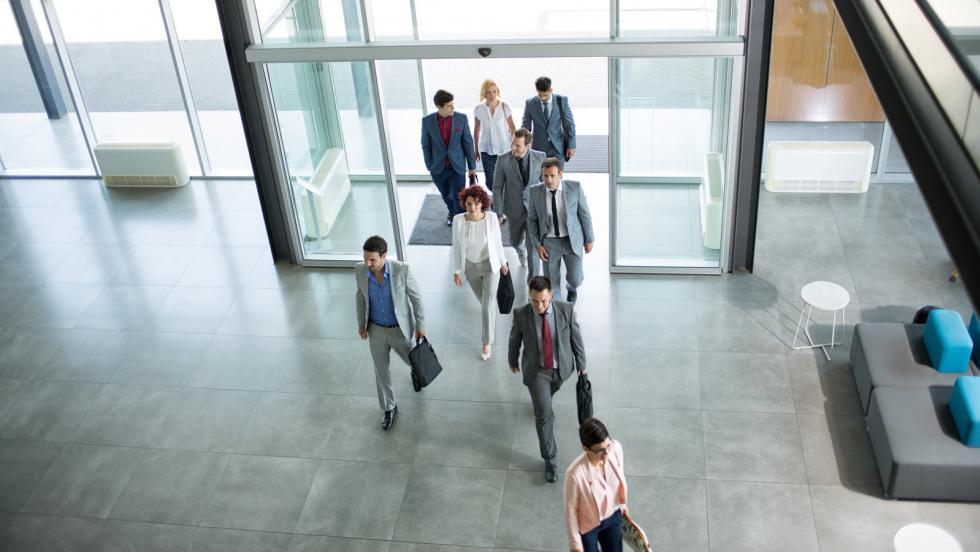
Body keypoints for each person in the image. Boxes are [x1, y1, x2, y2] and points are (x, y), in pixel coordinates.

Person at [508, 275, 586, 483]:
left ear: (551, 295)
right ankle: (550, 460)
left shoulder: (565, 310)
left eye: (543, 300)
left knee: (548, 396)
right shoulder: (522, 314)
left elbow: (576, 339)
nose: (539, 305)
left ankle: (543, 399)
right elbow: (514, 338)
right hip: (537, 371)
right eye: (534, 300)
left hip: (562, 369)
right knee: (544, 415)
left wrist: (582, 365)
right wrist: (512, 360)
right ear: (530, 297)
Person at [354, 235, 425, 430]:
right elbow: (360, 297)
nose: (368, 263)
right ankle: (389, 407)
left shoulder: (402, 270)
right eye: (365, 258)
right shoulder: (360, 270)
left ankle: (415, 372)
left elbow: (416, 299)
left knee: (414, 360)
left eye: (372, 260)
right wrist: (361, 324)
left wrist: (421, 325)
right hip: (376, 330)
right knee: (381, 371)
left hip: (399, 330)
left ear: (384, 256)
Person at [564, 418, 640, 552]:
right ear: (585, 448)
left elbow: (619, 476)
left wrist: (622, 505)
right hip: (588, 527)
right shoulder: (574, 474)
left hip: (613, 516)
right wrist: (575, 545)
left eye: (607, 445)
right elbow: (570, 510)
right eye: (600, 450)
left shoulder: (615, 448)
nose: (606, 453)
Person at [451, 186, 509, 360]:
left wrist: (503, 261)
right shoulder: (458, 220)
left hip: (490, 266)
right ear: (464, 204)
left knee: (487, 304)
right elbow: (456, 246)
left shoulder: (491, 218)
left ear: (483, 203)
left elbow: (497, 242)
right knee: (484, 301)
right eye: (469, 204)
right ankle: (490, 318)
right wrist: (457, 270)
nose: (473, 207)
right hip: (470, 267)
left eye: (477, 203)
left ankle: (486, 342)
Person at [526, 158, 595, 304]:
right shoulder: (534, 192)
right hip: (549, 243)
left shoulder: (574, 188)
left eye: (552, 175)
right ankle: (557, 311)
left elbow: (584, 214)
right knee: (552, 282)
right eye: (545, 175)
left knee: (575, 278)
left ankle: (572, 288)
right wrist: (537, 244)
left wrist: (589, 239)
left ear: (560, 174)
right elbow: (532, 220)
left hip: (572, 240)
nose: (549, 180)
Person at [492, 128, 545, 278]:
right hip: (513, 209)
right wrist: (498, 212)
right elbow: (497, 186)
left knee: (533, 249)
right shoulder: (503, 160)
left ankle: (532, 284)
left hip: (534, 211)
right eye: (512, 144)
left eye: (518, 146)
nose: (513, 148)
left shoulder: (540, 157)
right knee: (514, 241)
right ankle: (521, 251)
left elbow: (544, 184)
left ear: (527, 146)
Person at [422, 89, 478, 225]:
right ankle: (451, 211)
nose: (453, 107)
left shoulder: (461, 119)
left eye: (453, 104)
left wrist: (472, 167)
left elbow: (468, 143)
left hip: (456, 166)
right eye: (449, 105)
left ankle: (458, 221)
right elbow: (426, 145)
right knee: (446, 195)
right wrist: (429, 165)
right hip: (437, 167)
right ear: (439, 107)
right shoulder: (427, 121)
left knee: (458, 196)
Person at [521, 76, 576, 168]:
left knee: (556, 178)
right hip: (538, 148)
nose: (542, 98)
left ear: (551, 89)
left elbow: (569, 124)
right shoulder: (530, 103)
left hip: (557, 147)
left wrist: (572, 145)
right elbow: (526, 127)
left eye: (545, 95)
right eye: (540, 95)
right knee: (542, 179)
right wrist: (523, 144)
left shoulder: (562, 101)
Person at [473, 79, 516, 187]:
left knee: (507, 178)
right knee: (491, 182)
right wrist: (476, 148)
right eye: (489, 92)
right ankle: (496, 199)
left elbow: (512, 127)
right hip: (487, 151)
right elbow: (476, 130)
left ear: (498, 92)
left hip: (505, 149)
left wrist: (516, 145)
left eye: (494, 91)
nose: (492, 94)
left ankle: (505, 201)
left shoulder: (505, 106)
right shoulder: (479, 109)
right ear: (484, 93)